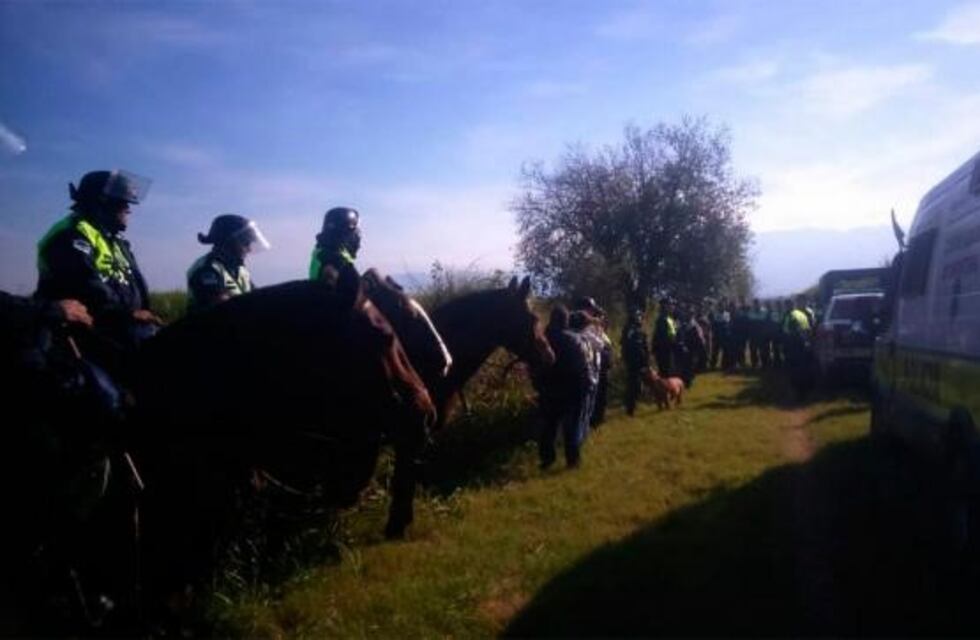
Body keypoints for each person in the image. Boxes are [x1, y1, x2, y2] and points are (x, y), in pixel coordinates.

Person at [35, 170, 161, 370]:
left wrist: (145, 312)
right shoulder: (71, 234)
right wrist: (128, 314)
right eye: (122, 202)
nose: (129, 208)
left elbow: (135, 283)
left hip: (121, 330)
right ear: (102, 202)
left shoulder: (115, 241)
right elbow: (85, 286)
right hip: (85, 338)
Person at [535, 306, 591, 470]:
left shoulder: (542, 340)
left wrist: (539, 385)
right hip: (571, 389)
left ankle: (547, 459)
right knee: (571, 426)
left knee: (548, 426)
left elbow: (535, 366)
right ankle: (572, 461)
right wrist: (585, 386)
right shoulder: (572, 339)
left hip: (548, 389)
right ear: (565, 320)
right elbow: (581, 367)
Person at [186, 214, 269, 313]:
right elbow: (221, 307)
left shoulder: (240, 269)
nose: (249, 249)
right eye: (245, 242)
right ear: (229, 241)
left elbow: (256, 297)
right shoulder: (207, 269)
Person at [310, 206, 361, 284]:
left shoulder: (323, 252)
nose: (358, 238)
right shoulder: (333, 259)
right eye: (356, 233)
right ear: (345, 233)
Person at [620, 310, 650, 416]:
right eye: (639, 316)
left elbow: (644, 346)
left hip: (641, 362)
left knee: (639, 385)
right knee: (633, 385)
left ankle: (635, 404)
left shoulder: (639, 329)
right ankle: (630, 408)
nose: (640, 318)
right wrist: (627, 360)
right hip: (633, 363)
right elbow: (626, 346)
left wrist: (646, 361)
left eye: (640, 316)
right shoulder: (629, 329)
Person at [651, 297, 677, 376]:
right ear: (665, 306)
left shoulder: (669, 318)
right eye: (670, 304)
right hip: (665, 350)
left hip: (668, 349)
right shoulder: (662, 319)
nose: (673, 307)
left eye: (673, 305)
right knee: (666, 371)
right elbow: (662, 337)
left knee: (668, 370)